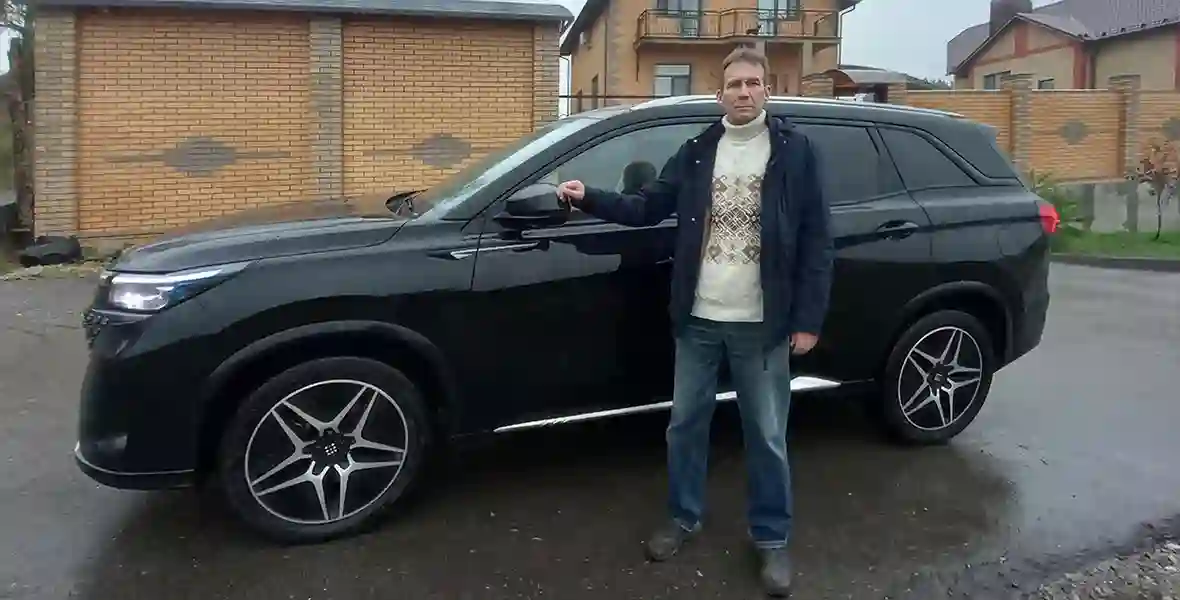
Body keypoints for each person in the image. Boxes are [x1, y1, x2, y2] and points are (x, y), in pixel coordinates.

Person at [555, 46, 834, 597]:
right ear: (719, 94)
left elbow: (817, 241)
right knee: (684, 425)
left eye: (753, 83)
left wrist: (807, 318)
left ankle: (772, 537)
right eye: (735, 84)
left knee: (767, 435)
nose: (744, 92)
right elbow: (647, 205)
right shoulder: (699, 151)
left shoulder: (796, 152)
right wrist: (590, 198)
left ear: (768, 90)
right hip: (699, 318)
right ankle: (682, 516)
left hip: (763, 322)